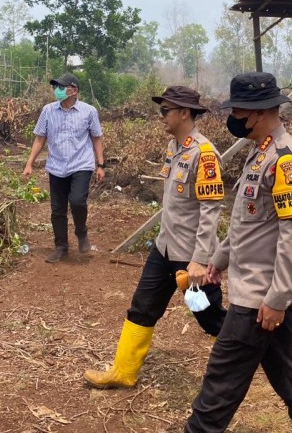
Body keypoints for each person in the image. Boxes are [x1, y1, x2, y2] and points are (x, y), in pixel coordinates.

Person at [185, 72, 292, 433]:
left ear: (259, 112)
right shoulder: (260, 153)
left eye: (238, 111)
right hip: (256, 288)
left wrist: (277, 299)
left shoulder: (285, 161)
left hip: (259, 295)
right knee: (287, 366)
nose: (233, 118)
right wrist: (219, 261)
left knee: (222, 377)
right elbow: (247, 225)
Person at [84, 86, 227, 389]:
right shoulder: (174, 147)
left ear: (184, 113)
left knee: (208, 316)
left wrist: (200, 260)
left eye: (165, 110)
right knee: (142, 306)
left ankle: (255, 351)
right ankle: (123, 372)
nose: (160, 116)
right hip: (164, 248)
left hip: (189, 257)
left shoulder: (205, 154)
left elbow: (210, 211)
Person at [24, 73, 104, 263]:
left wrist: (100, 165)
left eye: (61, 87)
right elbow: (40, 138)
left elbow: (97, 138)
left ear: (74, 90)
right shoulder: (48, 111)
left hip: (81, 164)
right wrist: (29, 163)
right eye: (56, 87)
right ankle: (61, 247)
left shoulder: (89, 111)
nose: (57, 90)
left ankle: (81, 231)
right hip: (57, 165)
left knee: (77, 201)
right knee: (57, 210)